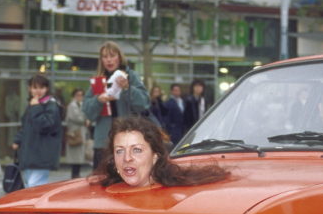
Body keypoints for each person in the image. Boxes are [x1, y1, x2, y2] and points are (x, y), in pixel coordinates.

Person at [92, 115, 230, 188]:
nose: (127, 158)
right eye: (119, 151)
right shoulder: (103, 192)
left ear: (155, 156)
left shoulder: (178, 197)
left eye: (137, 150)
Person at [82, 41, 149, 170]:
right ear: (101, 60)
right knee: (102, 181)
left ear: (119, 57)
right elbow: (87, 111)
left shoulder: (130, 76)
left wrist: (127, 88)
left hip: (128, 141)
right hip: (103, 142)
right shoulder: (98, 80)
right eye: (105, 57)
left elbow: (144, 103)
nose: (109, 60)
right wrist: (98, 100)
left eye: (112, 56)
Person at [11, 73, 62, 188]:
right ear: (29, 89)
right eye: (35, 87)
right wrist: (17, 140)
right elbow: (26, 126)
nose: (38, 91)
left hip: (42, 156)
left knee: (34, 187)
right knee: (30, 186)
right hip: (31, 154)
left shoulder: (50, 105)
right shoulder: (34, 104)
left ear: (47, 88)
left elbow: (46, 125)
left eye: (41, 87)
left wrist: (35, 108)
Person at [65, 88, 89, 179]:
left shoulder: (81, 105)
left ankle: (76, 174)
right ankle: (74, 175)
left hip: (80, 134)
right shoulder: (72, 105)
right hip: (75, 134)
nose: (80, 97)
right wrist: (85, 119)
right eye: (78, 95)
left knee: (79, 156)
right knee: (75, 157)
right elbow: (77, 117)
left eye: (81, 95)